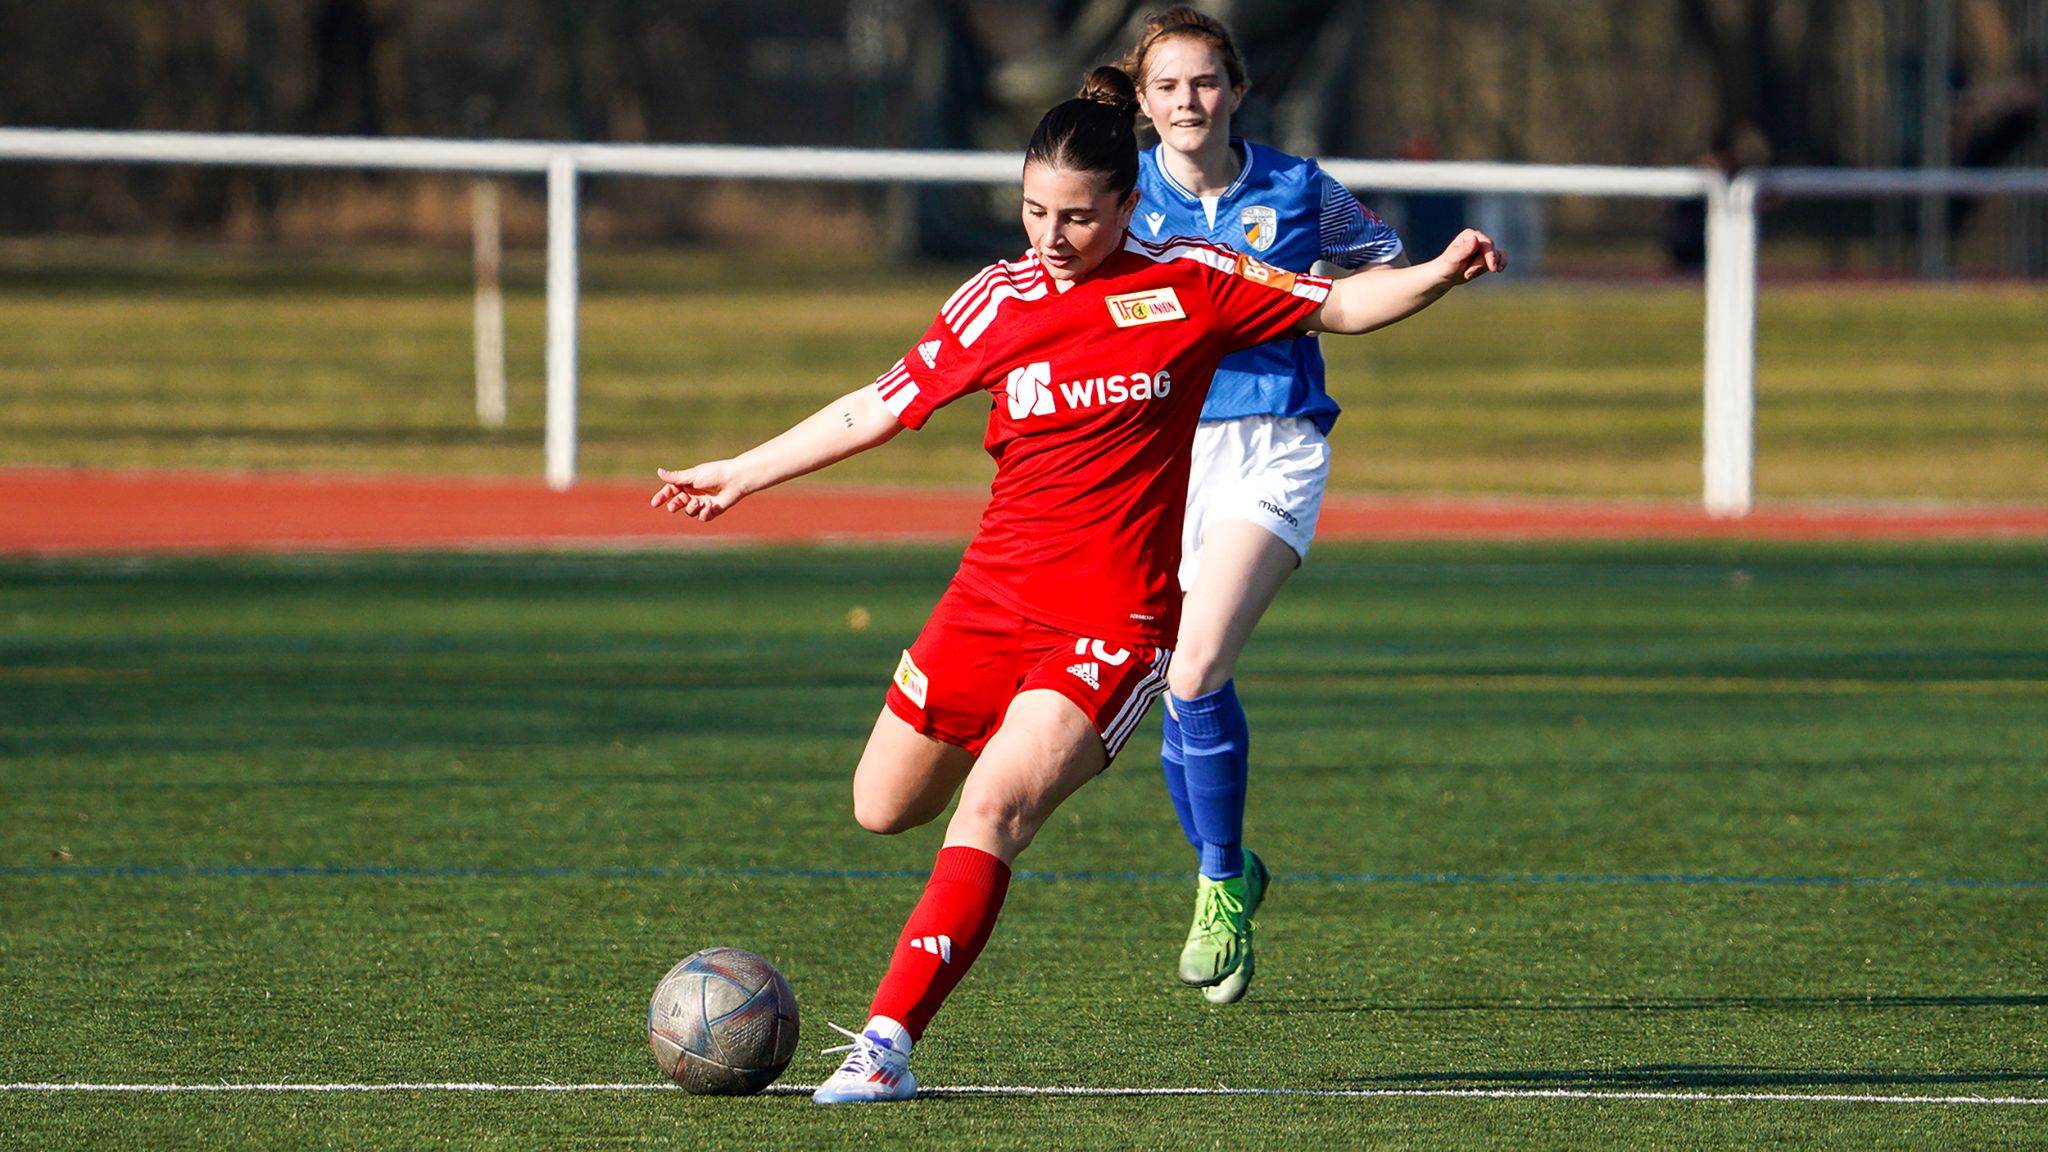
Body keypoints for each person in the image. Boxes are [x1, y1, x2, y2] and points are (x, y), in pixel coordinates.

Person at [652, 66, 1501, 1104]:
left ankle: (883, 1046)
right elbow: (871, 407)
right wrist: (739, 473)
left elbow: (1336, 304)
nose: (1050, 239)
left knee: (995, 807)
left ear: (1127, 205)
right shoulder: (995, 299)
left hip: (1111, 620)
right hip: (986, 602)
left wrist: (1437, 274)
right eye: (1032, 212)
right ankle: (909, 981)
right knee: (880, 807)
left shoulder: (1188, 282)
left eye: (1076, 218)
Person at [1120, 6, 1407, 1005]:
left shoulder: (1294, 187)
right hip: (1157, 458)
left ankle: (1215, 884)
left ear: (1236, 90)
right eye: (1166, 86)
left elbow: (1375, 258)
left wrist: (1438, 272)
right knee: (1169, 680)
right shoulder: (1121, 199)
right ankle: (1230, 863)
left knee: (1195, 669)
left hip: (1273, 444)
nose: (1186, 101)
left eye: (1204, 82)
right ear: (1143, 100)